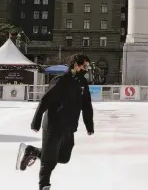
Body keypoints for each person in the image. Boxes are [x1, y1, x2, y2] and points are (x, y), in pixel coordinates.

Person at [16, 54, 94, 190]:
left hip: (69, 127)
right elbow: (46, 100)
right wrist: (36, 121)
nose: (86, 69)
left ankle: (32, 151)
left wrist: (89, 125)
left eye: (87, 66)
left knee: (64, 157)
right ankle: (44, 185)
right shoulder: (61, 80)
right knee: (48, 161)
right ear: (75, 64)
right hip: (54, 124)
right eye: (84, 66)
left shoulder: (82, 83)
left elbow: (86, 105)